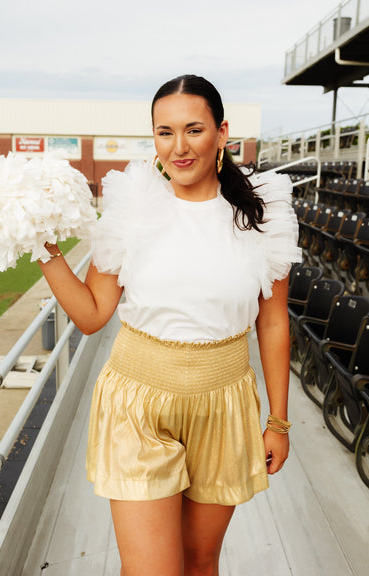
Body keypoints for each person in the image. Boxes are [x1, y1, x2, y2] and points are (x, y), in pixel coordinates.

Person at [38, 74, 302, 576]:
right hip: (138, 403)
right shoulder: (134, 206)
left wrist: (279, 422)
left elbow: (272, 325)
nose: (178, 147)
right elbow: (93, 316)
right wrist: (43, 249)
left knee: (200, 563)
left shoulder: (262, 214)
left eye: (194, 129)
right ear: (153, 138)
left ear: (222, 133)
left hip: (224, 402)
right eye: (165, 132)